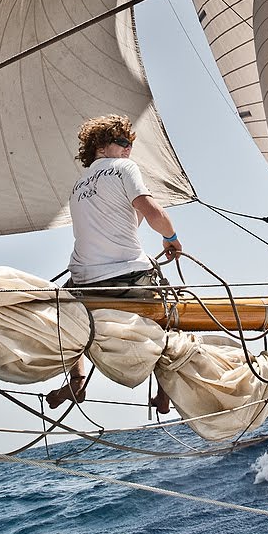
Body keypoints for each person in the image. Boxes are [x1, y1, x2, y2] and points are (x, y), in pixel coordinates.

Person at [46, 114, 181, 410]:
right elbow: (151, 210)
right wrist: (171, 237)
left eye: (129, 145)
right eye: (122, 142)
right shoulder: (123, 168)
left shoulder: (77, 186)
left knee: (67, 309)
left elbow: (120, 224)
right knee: (171, 312)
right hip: (126, 280)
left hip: (85, 283)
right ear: (101, 145)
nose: (127, 149)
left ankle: (77, 381)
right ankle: (164, 392)